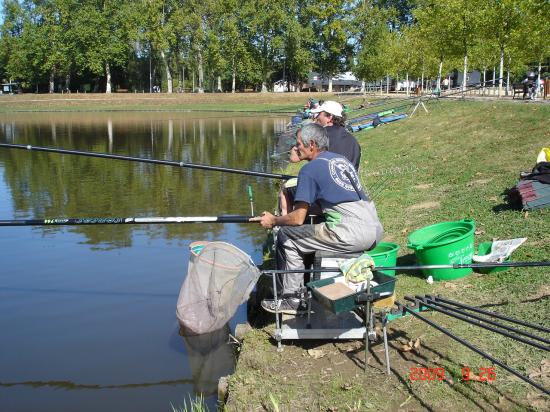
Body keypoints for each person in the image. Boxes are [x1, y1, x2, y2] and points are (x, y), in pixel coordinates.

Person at [251, 123, 384, 315]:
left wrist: (273, 221)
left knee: (287, 237)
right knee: (306, 230)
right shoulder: (340, 160)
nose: (296, 148)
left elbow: (297, 219)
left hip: (350, 231)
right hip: (374, 227)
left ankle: (292, 299)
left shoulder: (310, 169)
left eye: (298, 144)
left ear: (311, 144)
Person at [310, 100, 361, 170]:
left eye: (319, 114)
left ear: (329, 117)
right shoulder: (352, 139)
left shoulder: (321, 138)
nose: (316, 117)